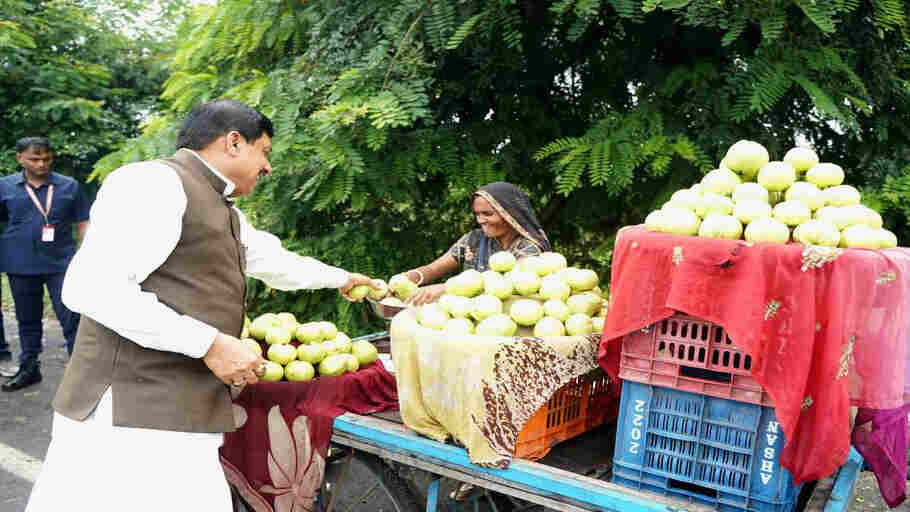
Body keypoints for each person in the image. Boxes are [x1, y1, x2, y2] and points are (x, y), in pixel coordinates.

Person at [24, 99, 380, 512]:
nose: (268, 168)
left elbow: (272, 260)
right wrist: (210, 343)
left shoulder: (217, 204)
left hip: (173, 408)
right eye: (264, 152)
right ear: (233, 142)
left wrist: (342, 279)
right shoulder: (153, 183)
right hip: (127, 413)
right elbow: (92, 288)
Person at [0, 137, 91, 391]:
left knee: (72, 316)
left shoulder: (68, 186)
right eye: (35, 159)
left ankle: (80, 374)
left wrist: (85, 254)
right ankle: (29, 368)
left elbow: (83, 221)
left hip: (61, 263)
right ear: (20, 158)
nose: (42, 164)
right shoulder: (5, 186)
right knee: (26, 319)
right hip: (19, 263)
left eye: (47, 159)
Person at [402, 181, 551, 306]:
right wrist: (409, 278)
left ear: (510, 214)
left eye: (487, 214)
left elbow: (506, 286)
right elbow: (434, 269)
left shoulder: (529, 249)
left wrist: (445, 289)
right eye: (477, 214)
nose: (480, 220)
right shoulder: (474, 240)